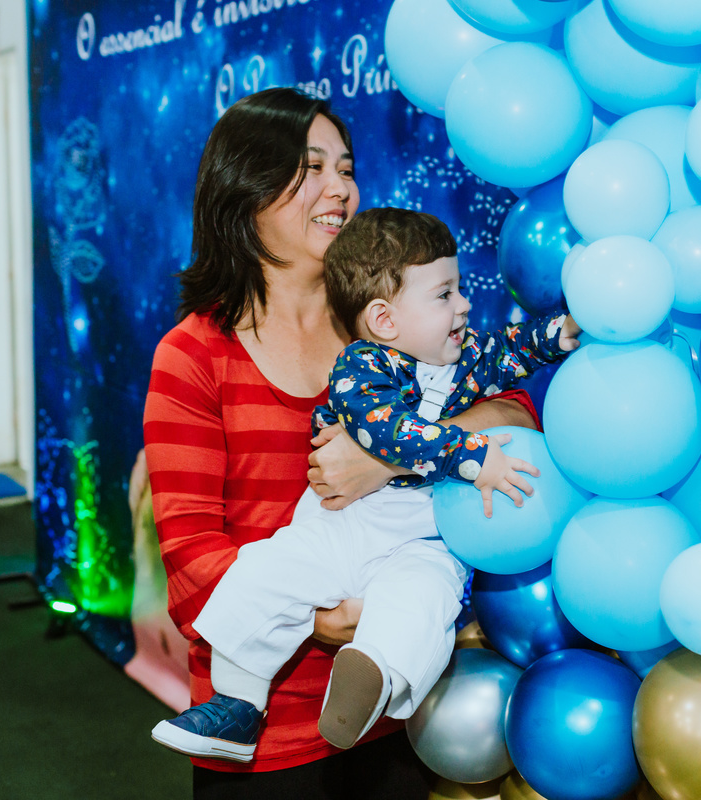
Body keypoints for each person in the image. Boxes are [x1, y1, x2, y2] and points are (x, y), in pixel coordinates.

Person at [142, 88, 542, 799]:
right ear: (245, 188)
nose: (341, 189)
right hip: (264, 735)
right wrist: (326, 621)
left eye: (347, 168)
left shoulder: (384, 328)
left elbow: (513, 413)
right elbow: (192, 558)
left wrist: (381, 455)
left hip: (394, 713)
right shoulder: (194, 354)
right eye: (312, 167)